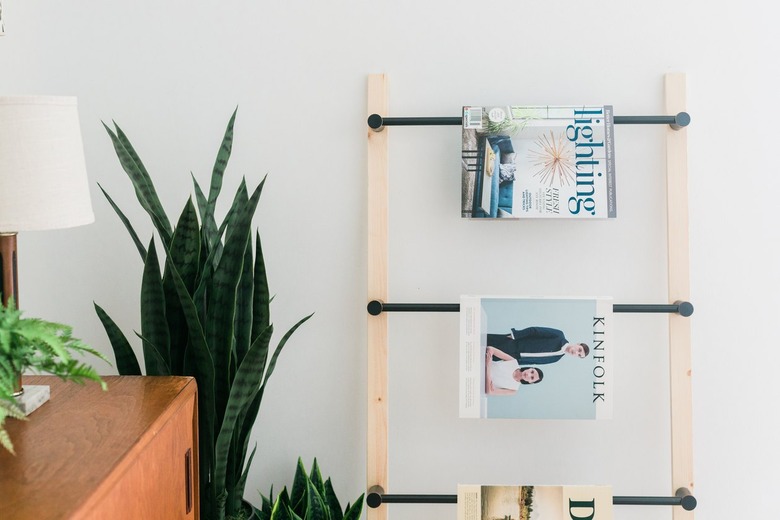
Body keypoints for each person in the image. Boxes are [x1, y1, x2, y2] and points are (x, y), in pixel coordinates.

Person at [486, 326, 589, 365]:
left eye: (579, 355)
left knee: (485, 357)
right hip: (514, 343)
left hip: (513, 357)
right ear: (578, 344)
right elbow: (535, 331)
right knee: (483, 343)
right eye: (579, 350)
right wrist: (514, 336)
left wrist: (512, 362)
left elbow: (534, 362)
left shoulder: (557, 358)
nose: (576, 352)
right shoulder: (559, 336)